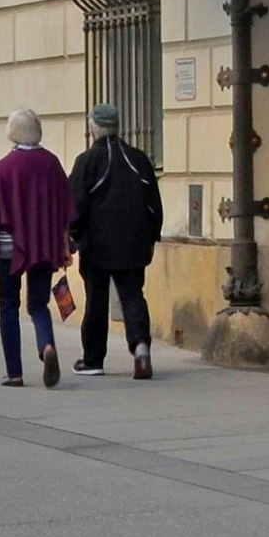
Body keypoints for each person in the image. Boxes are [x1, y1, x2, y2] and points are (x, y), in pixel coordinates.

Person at [0, 109, 75, 390]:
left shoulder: (5, 167)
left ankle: (14, 372)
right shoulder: (52, 163)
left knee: (8, 306)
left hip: (9, 247)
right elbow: (64, 212)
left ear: (13, 132)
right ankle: (47, 345)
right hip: (43, 243)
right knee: (38, 304)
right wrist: (65, 248)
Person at [68, 103, 162, 380]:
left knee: (96, 301)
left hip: (97, 244)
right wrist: (151, 237)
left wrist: (73, 236)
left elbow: (75, 205)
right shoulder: (139, 159)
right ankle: (141, 347)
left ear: (93, 127)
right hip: (134, 242)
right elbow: (153, 205)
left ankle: (93, 359)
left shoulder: (87, 161)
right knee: (132, 295)